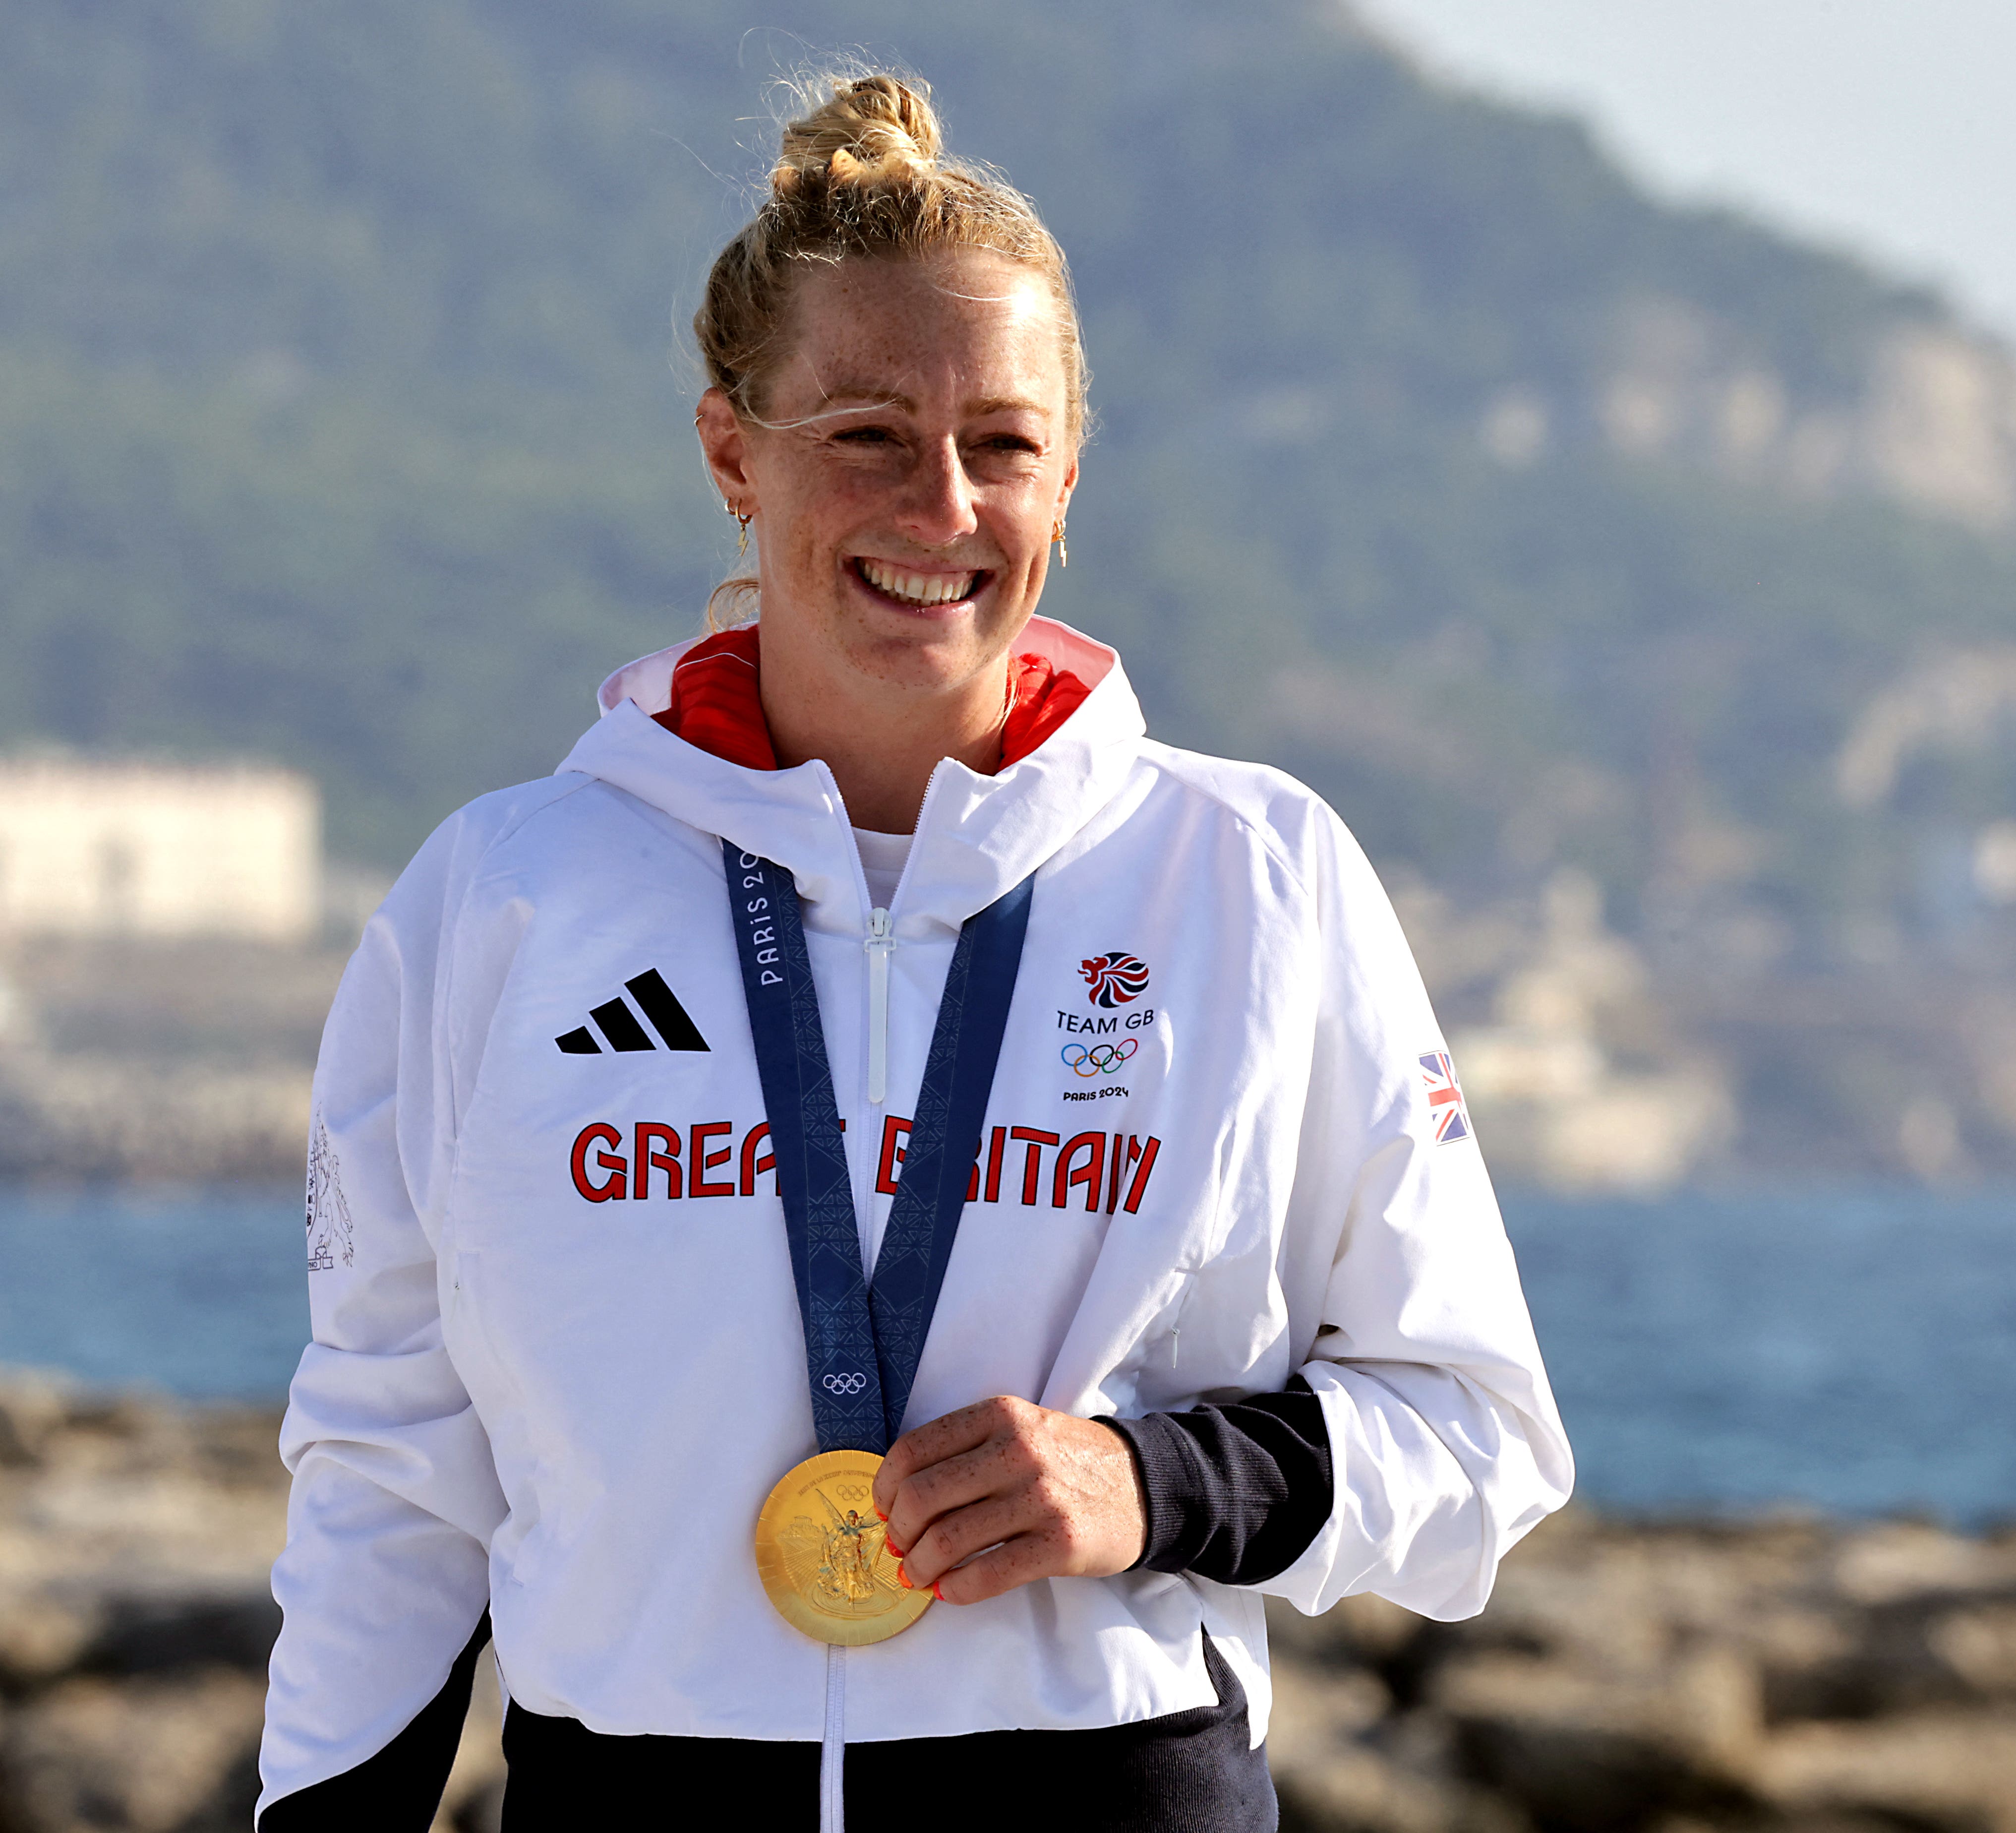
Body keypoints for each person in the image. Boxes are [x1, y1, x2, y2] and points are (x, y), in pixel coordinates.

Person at [256, 70, 1569, 1833]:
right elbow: (391, 1482)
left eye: (1002, 444)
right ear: (734, 453)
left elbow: (1479, 1437)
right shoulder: (504, 898)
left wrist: (1151, 1485)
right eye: (867, 432)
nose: (941, 504)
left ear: (1068, 476)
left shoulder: (1255, 878)